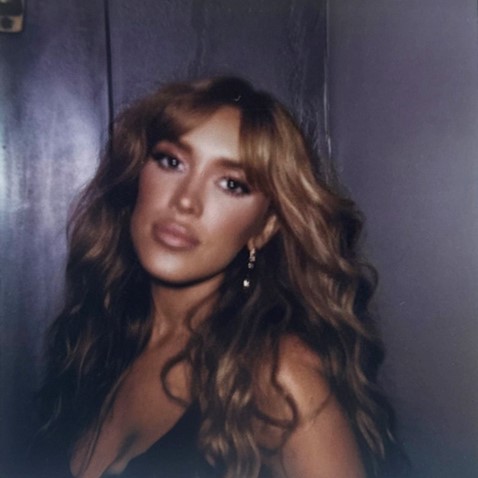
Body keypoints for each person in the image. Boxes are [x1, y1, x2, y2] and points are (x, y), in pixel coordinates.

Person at [32, 76, 401, 478]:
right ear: (138, 175)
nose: (185, 201)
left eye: (232, 184)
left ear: (264, 228)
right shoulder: (96, 339)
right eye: (171, 162)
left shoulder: (278, 375)